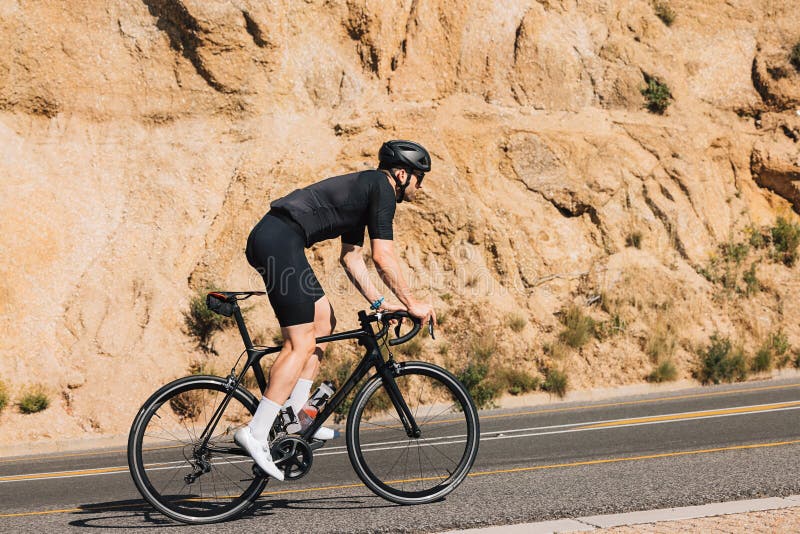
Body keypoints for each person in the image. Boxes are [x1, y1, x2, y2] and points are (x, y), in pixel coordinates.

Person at [235, 140, 437, 480]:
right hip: (279, 241)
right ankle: (256, 432)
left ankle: (296, 416)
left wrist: (379, 302)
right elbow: (383, 257)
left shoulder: (367, 190)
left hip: (279, 239)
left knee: (324, 320)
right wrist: (412, 303)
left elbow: (351, 257)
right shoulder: (382, 190)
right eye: (420, 178)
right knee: (299, 344)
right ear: (402, 174)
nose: (420, 186)